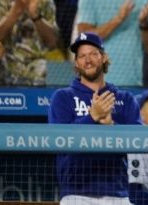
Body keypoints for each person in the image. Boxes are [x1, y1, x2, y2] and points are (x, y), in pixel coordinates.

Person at [49, 32, 141, 204]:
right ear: (76, 63)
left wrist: (111, 126)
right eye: (82, 56)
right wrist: (92, 117)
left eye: (93, 53)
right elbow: (59, 140)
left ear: (104, 58)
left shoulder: (125, 99)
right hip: (77, 193)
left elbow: (140, 142)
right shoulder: (62, 97)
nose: (88, 60)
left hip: (117, 193)